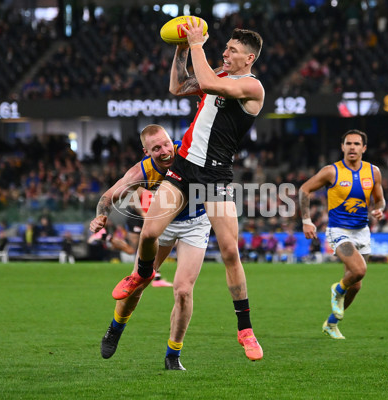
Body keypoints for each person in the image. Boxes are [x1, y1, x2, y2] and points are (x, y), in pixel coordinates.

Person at [111, 20, 265, 361]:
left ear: (249, 58)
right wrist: (182, 49)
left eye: (233, 51)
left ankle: (245, 329)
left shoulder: (252, 87)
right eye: (224, 47)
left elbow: (207, 80)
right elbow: (178, 86)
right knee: (149, 231)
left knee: (229, 252)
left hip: (215, 177)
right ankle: (140, 273)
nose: (225, 53)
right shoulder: (219, 75)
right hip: (184, 167)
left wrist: (196, 43)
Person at [90, 124, 211, 370]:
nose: (165, 151)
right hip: (162, 222)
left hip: (196, 223)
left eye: (167, 143)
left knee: (184, 291)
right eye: (156, 148)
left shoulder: (188, 152)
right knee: (138, 283)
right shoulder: (141, 172)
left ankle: (173, 356)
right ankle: (115, 328)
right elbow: (109, 196)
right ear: (146, 151)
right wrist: (101, 215)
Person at [299, 129, 386, 340]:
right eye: (348, 143)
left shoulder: (373, 172)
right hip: (339, 231)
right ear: (342, 147)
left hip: (362, 231)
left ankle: (331, 323)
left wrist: (380, 208)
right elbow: (304, 190)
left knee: (356, 284)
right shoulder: (332, 171)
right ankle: (337, 289)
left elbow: (379, 199)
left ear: (364, 148)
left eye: (357, 144)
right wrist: (306, 220)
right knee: (359, 269)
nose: (352, 147)